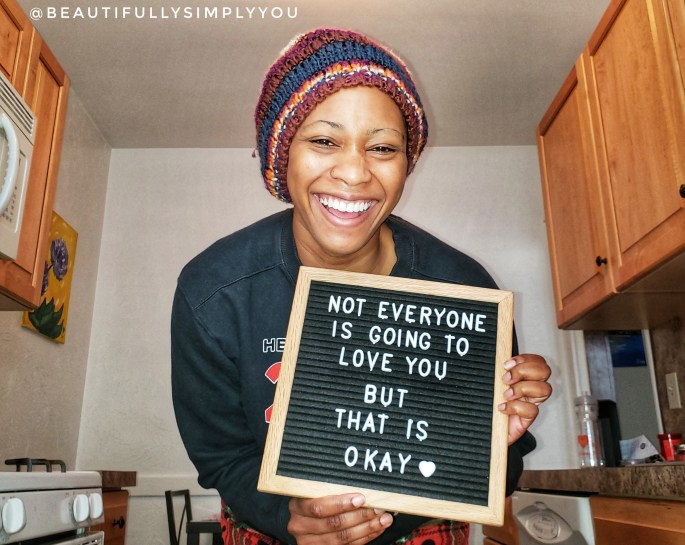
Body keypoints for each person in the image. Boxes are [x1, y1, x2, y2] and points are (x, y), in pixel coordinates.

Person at [171, 28, 552, 545]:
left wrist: (491, 443)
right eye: (324, 141)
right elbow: (221, 455)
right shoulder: (214, 292)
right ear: (282, 156)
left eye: (383, 147)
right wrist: (287, 517)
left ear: (406, 165)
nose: (354, 173)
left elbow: (503, 469)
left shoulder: (464, 290)